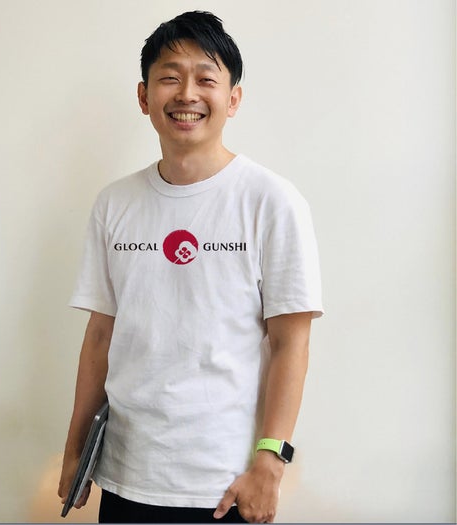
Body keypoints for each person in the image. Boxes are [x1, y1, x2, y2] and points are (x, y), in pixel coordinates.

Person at [58, 10, 323, 524]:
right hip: (125, 473)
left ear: (233, 99)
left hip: (224, 485)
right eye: (169, 77)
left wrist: (270, 464)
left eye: (206, 79)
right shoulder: (115, 203)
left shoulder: (272, 201)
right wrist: (74, 451)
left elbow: (291, 342)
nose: (187, 94)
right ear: (144, 97)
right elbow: (100, 336)